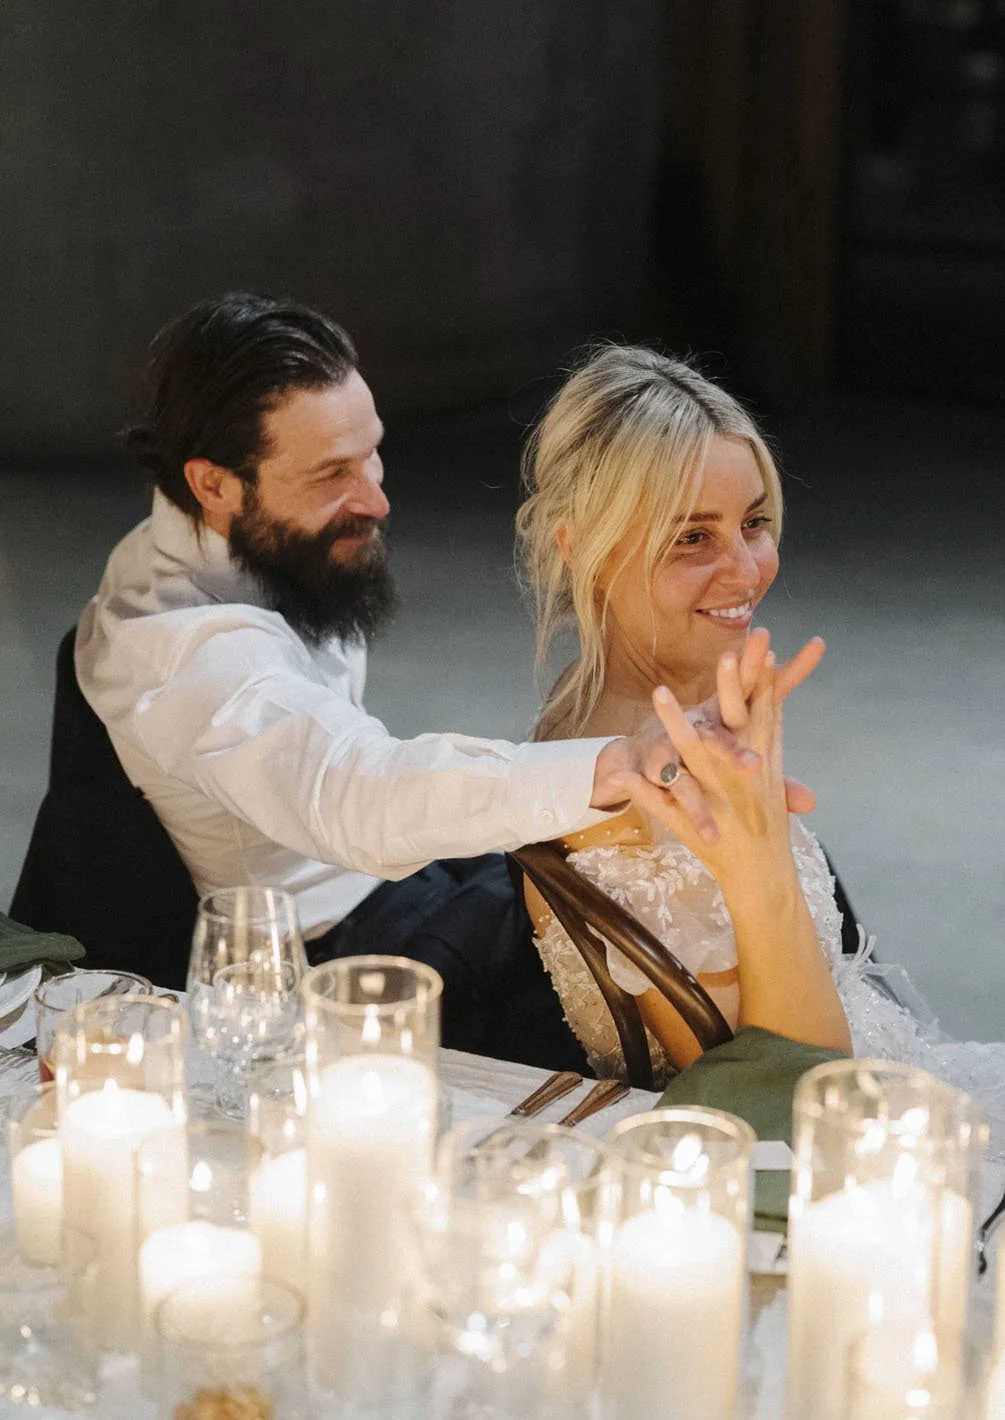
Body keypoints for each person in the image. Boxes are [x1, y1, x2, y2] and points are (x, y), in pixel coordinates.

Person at [74, 294, 817, 1057]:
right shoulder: (176, 651)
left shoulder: (233, 537)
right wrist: (614, 762)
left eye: (373, 453)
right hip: (339, 959)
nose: (376, 498)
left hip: (407, 880)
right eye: (333, 474)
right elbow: (355, 789)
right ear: (214, 486)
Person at [516, 344, 1005, 1142]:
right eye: (690, 539)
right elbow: (798, 1101)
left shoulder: (630, 697)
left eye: (752, 523)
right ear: (581, 551)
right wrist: (760, 854)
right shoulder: (628, 793)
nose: (745, 570)